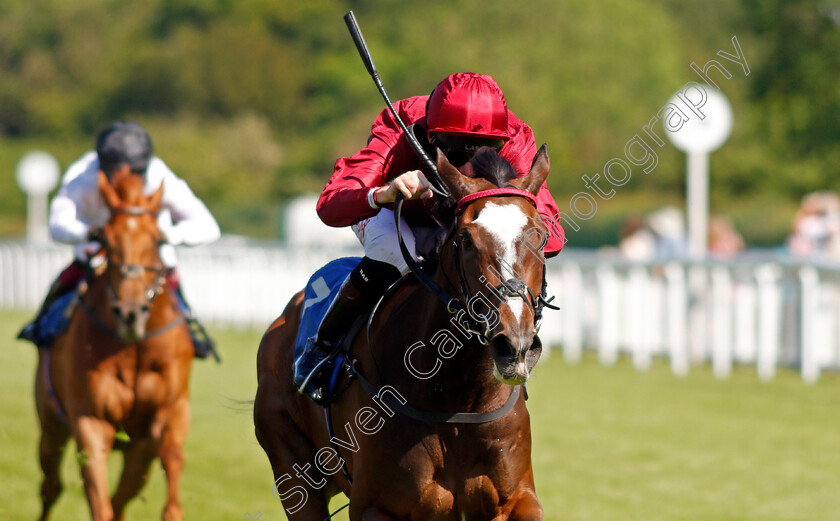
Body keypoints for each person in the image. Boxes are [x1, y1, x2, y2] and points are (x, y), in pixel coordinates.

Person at [295, 72, 566, 403]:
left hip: (466, 224)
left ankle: (507, 348)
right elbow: (330, 204)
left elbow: (552, 238)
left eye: (488, 150)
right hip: (397, 215)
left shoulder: (516, 137)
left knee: (498, 256)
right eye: (458, 151)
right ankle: (320, 349)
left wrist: (514, 216)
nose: (472, 166)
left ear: (502, 138)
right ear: (432, 136)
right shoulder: (400, 126)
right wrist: (385, 193)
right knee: (397, 252)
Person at [18, 121, 221, 359]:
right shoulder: (83, 176)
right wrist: (89, 233)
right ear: (102, 167)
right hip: (97, 254)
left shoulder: (160, 175)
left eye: (136, 173)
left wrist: (164, 236)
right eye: (117, 173)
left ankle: (191, 331)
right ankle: (42, 325)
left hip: (150, 258)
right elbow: (57, 224)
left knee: (174, 288)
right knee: (66, 281)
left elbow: (208, 227)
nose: (127, 180)